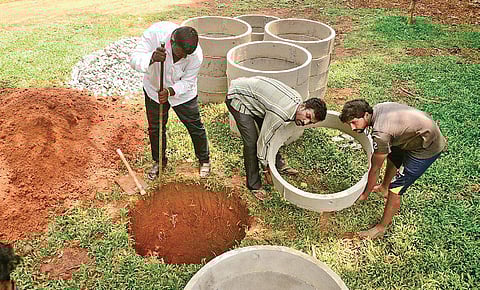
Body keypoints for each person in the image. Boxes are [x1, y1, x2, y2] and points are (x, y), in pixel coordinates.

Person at [339, 99, 446, 239]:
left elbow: (375, 168)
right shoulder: (377, 109)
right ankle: (383, 187)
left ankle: (381, 228)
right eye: (349, 124)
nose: (352, 128)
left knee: (396, 188)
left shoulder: (381, 133)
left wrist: (365, 194)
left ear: (366, 115)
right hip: (412, 136)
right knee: (393, 156)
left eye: (354, 122)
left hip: (426, 148)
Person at [130, 22, 210, 180]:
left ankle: (204, 160)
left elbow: (187, 81)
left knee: (194, 125)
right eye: (180, 53)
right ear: (172, 42)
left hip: (182, 94)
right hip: (154, 89)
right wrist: (152, 58)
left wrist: (171, 91)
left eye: (187, 55)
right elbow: (134, 59)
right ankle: (159, 162)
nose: (183, 57)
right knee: (156, 128)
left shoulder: (195, 54)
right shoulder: (155, 34)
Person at [226, 76, 328, 200]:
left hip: (258, 99)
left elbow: (273, 132)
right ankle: (254, 185)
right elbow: (263, 142)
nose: (306, 122)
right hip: (238, 97)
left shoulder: (297, 104)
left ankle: (277, 164)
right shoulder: (281, 112)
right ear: (302, 106)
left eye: (310, 122)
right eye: (307, 116)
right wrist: (265, 169)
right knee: (252, 143)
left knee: (272, 131)